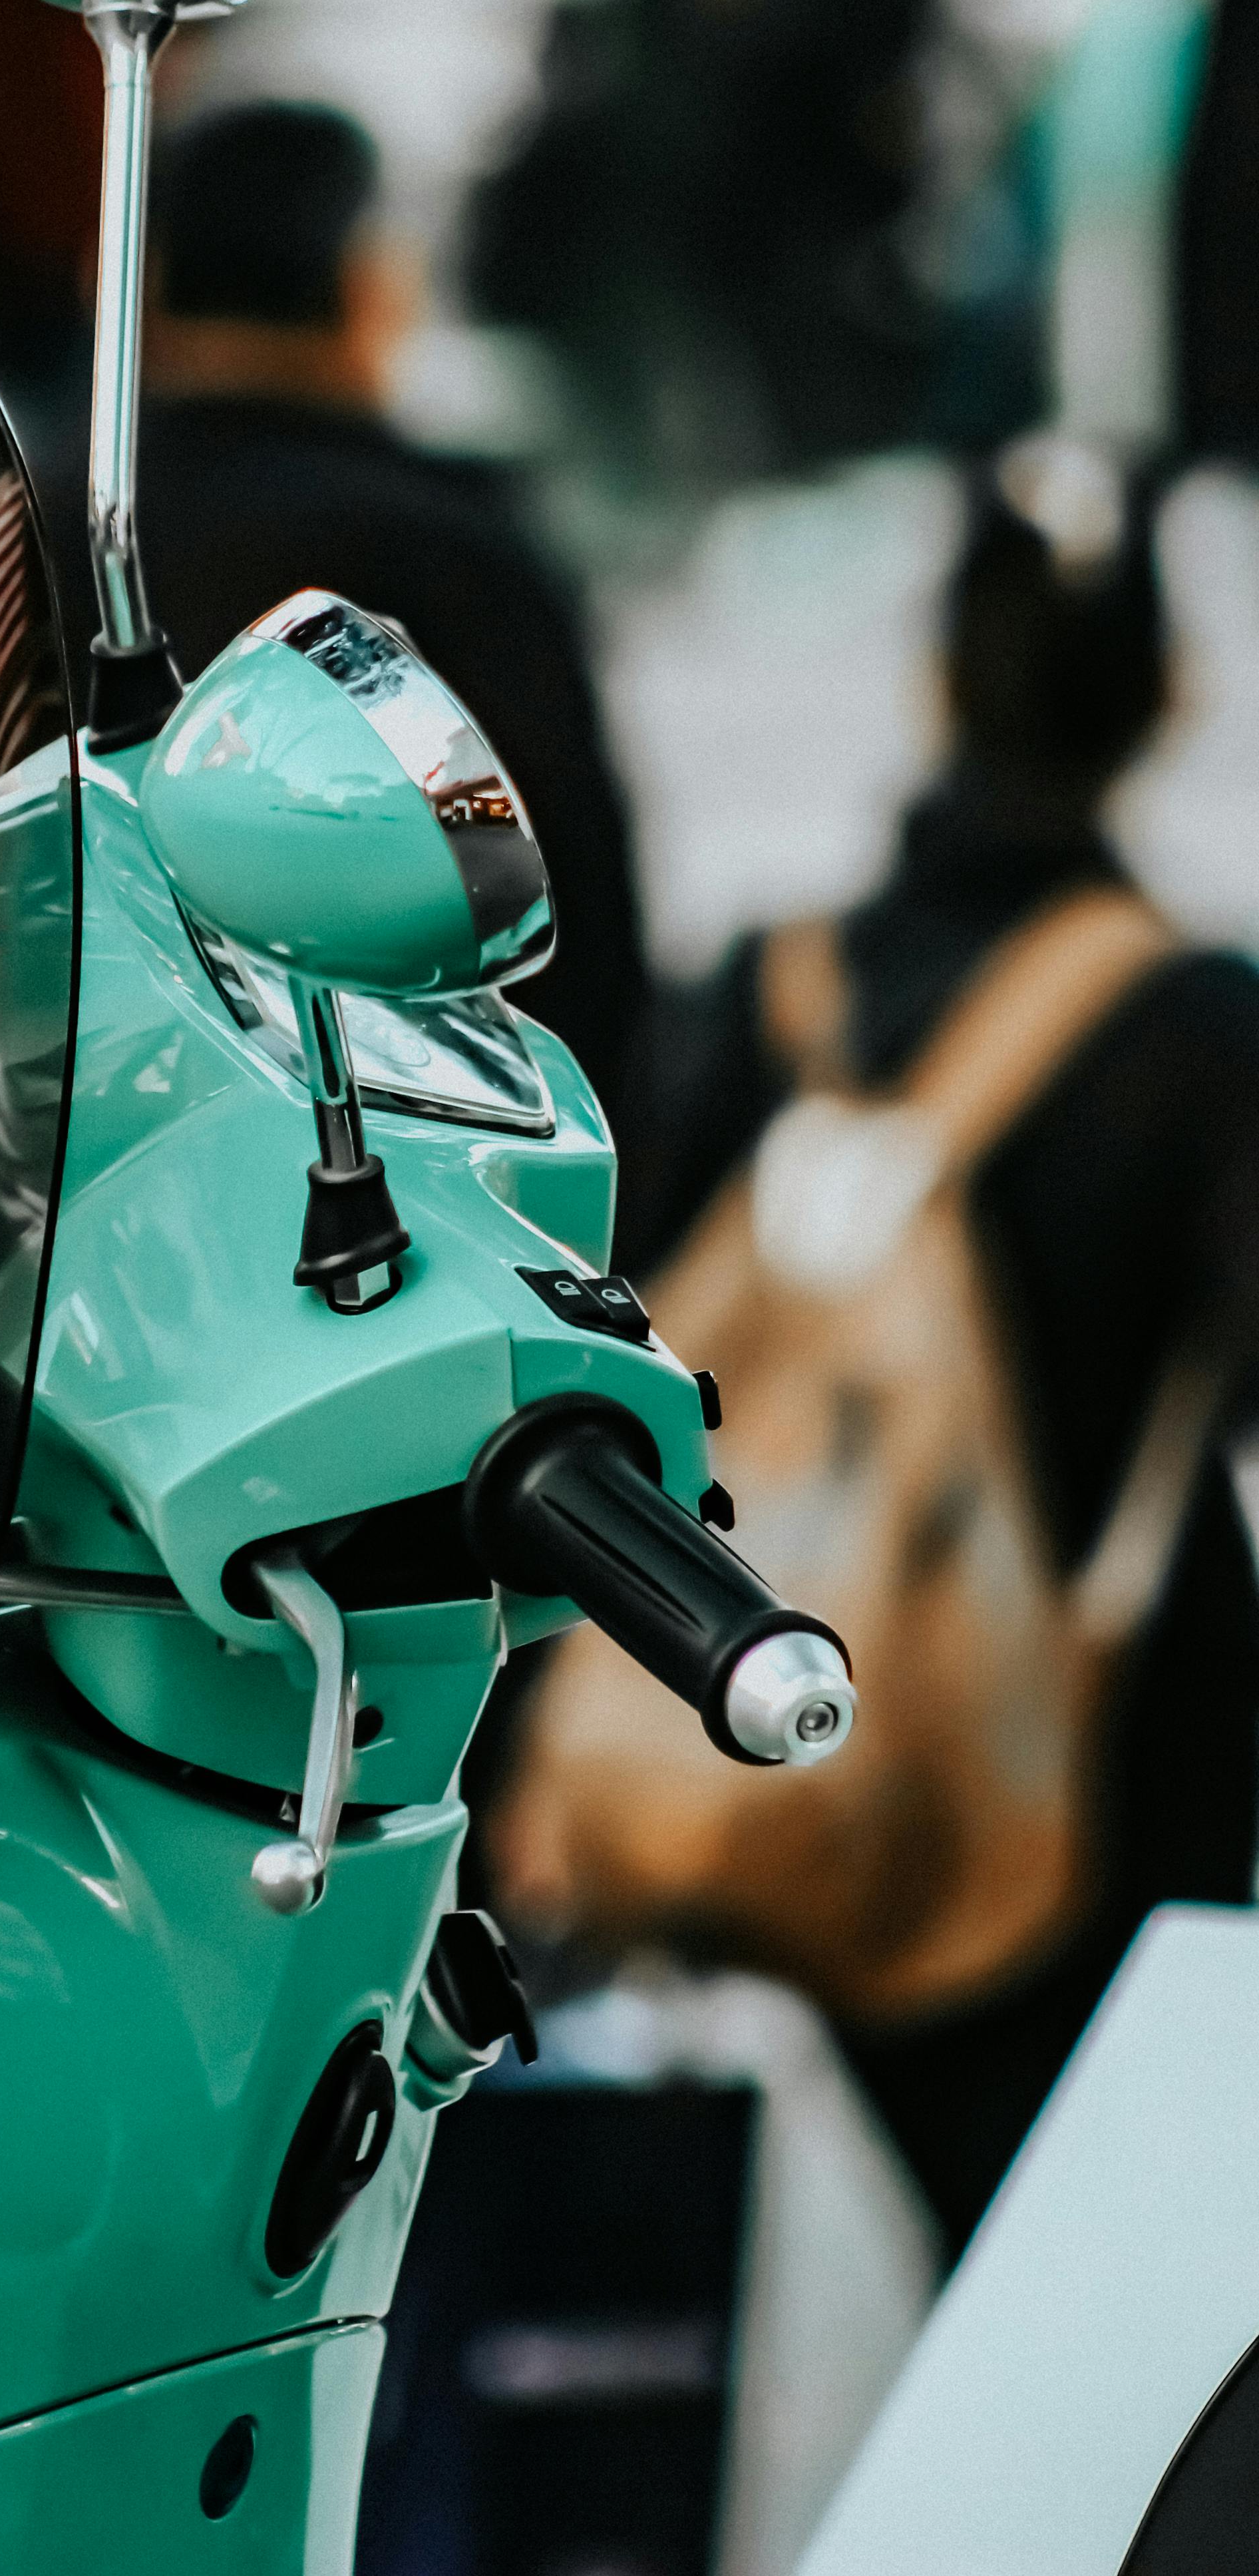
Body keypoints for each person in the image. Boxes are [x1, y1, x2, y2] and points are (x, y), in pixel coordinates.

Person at [514, 437, 1259, 2257]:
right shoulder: (1198, 1030)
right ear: (1170, 696)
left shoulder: (771, 984)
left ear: (934, 682)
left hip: (766, 1700)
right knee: (1073, 2261)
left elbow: (607, 1310)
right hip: (1086, 1768)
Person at [45, 99, 647, 1111]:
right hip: (389, 1179)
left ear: (133, 290)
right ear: (370, 294)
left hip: (63, 1139)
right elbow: (584, 960)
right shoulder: (460, 561)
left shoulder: (49, 526)